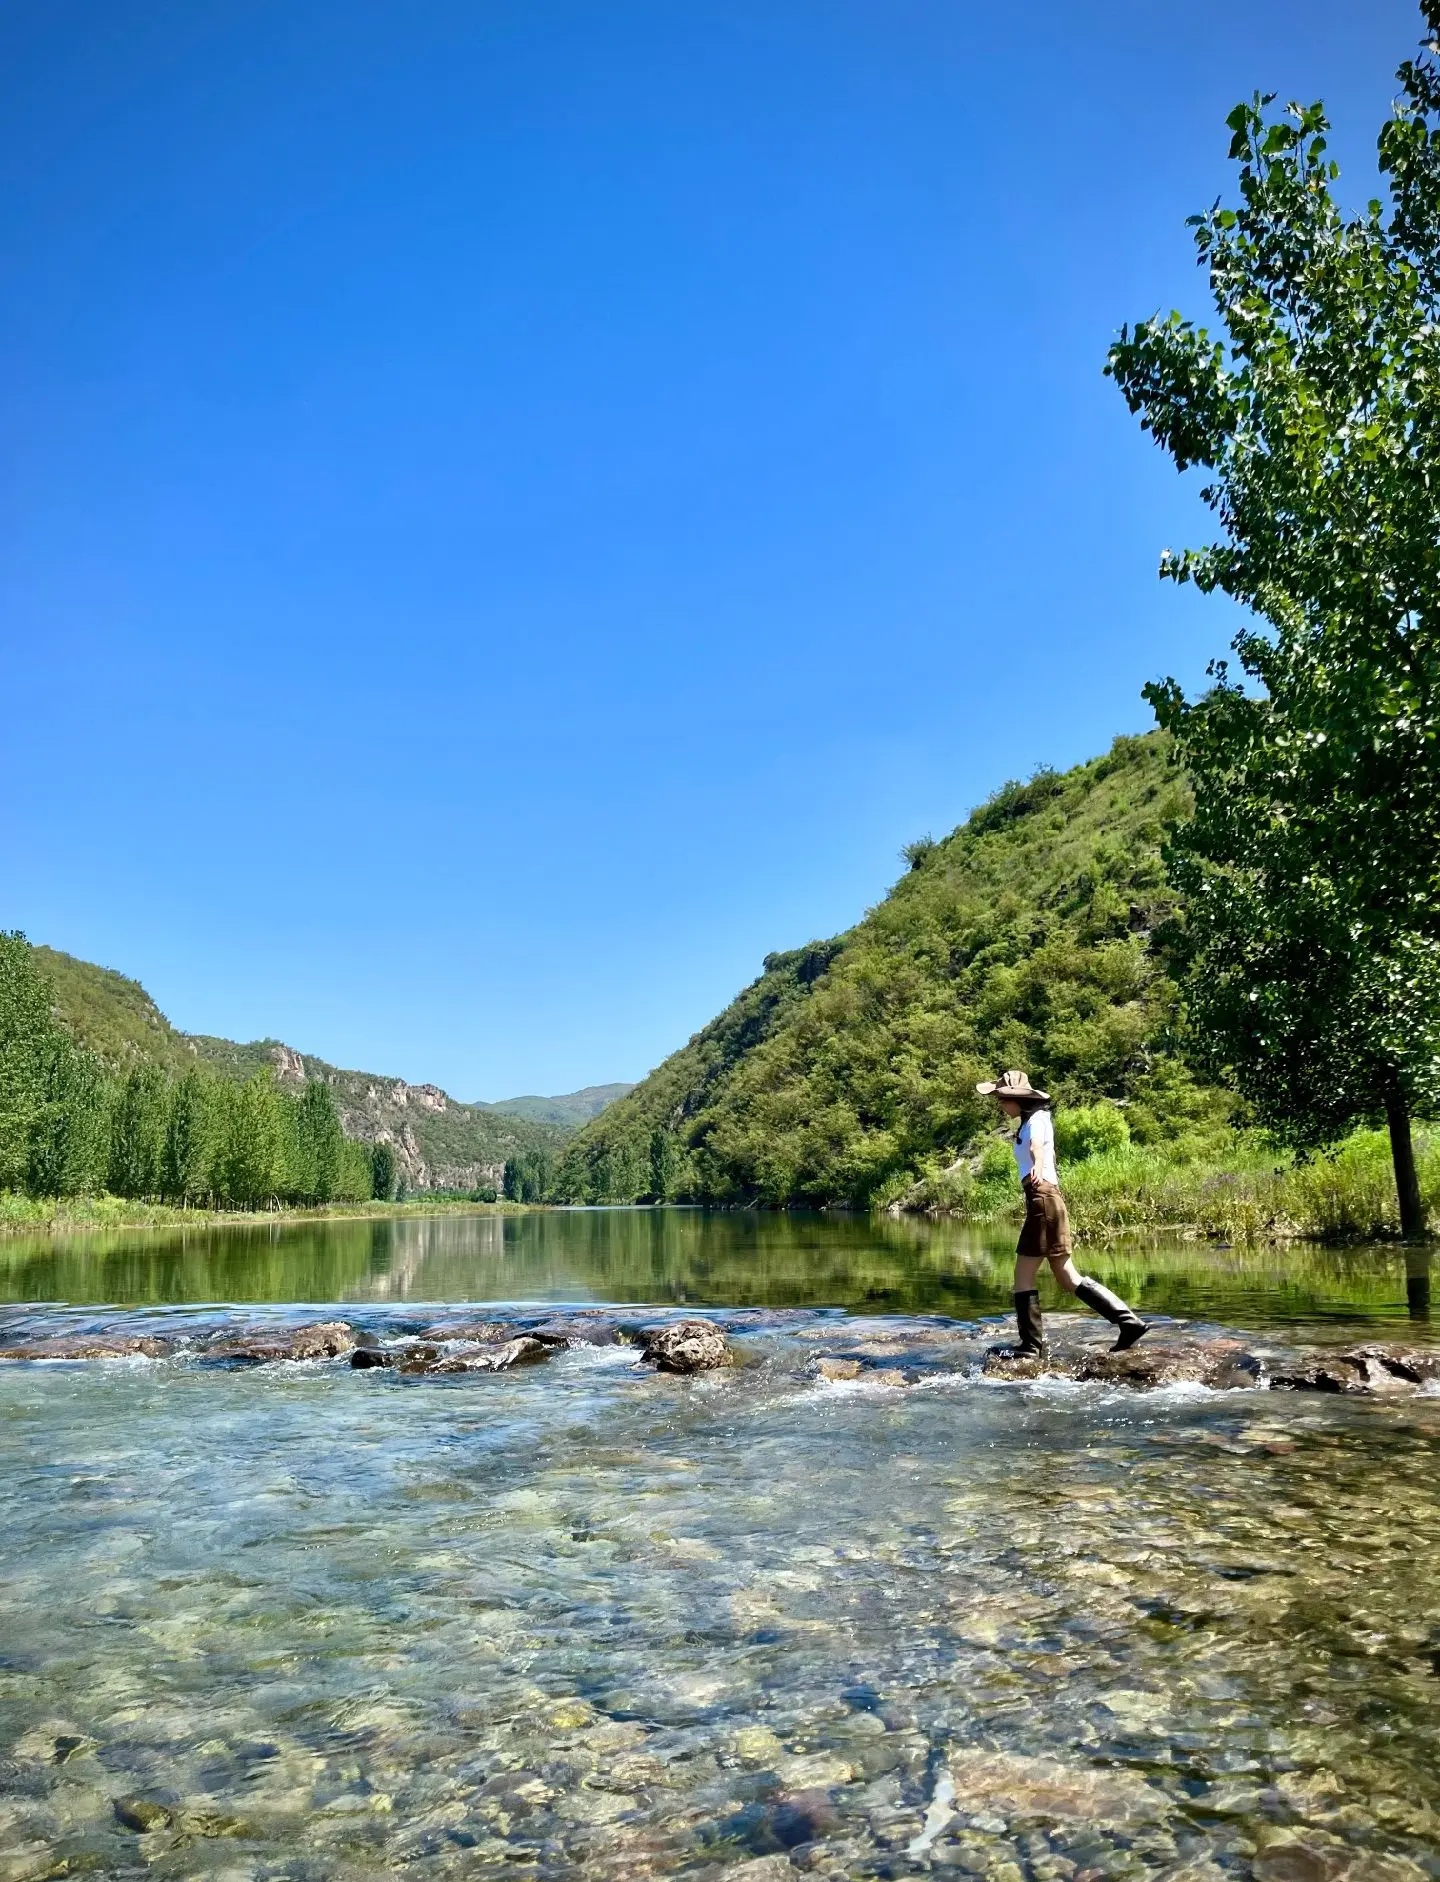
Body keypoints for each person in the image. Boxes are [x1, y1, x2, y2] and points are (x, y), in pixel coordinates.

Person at [976, 1070, 1147, 1356]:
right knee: (1067, 1275)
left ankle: (1031, 1347)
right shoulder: (1034, 1120)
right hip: (1048, 1200)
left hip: (1042, 1199)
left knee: (1022, 1276)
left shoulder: (1038, 1121)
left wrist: (1037, 1163)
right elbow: (1048, 1152)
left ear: (1014, 1100)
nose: (1000, 1105)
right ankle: (1129, 1323)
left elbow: (1037, 1148)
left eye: (1001, 1100)